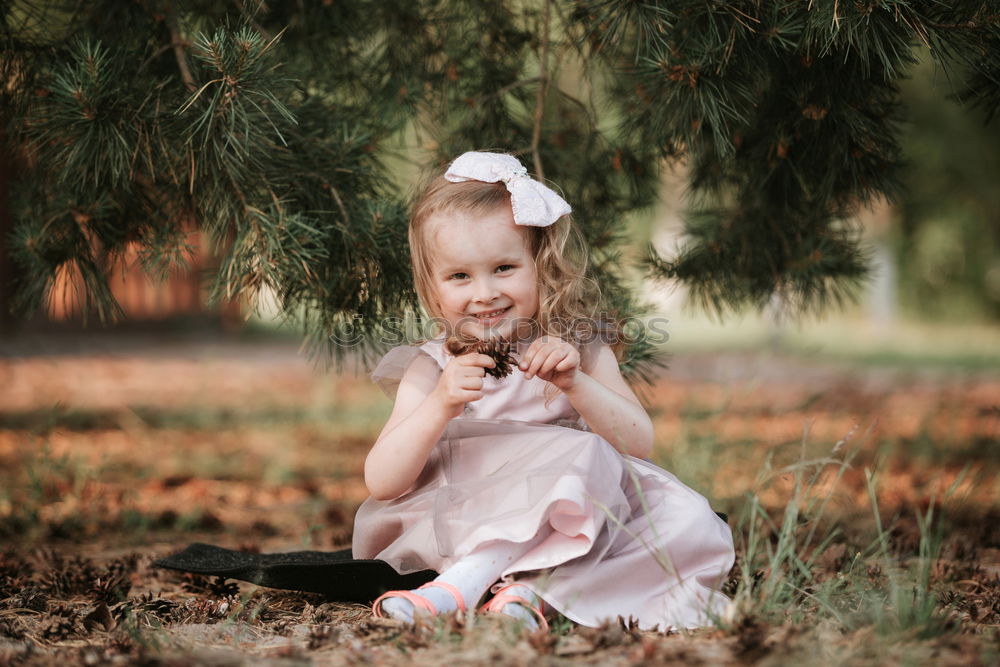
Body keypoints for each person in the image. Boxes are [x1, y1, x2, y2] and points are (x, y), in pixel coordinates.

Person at [351, 151, 734, 631]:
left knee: (689, 518)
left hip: (580, 520)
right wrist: (440, 405)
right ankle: (457, 587)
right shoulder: (434, 368)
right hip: (461, 514)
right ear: (432, 288)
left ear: (541, 265)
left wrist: (576, 383)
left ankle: (529, 594)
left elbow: (638, 445)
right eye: (460, 276)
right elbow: (382, 482)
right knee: (582, 453)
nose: (484, 292)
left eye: (505, 267)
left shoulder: (578, 350)